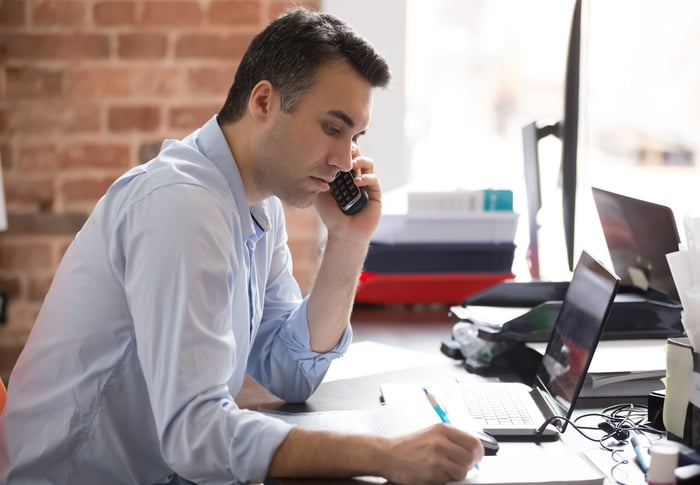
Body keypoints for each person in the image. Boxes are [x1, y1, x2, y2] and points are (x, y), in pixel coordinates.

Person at [0, 7, 484, 484]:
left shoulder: (257, 205)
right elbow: (197, 433)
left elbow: (290, 371)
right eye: (332, 128)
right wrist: (384, 455)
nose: (343, 160)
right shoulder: (182, 208)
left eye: (354, 136)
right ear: (264, 101)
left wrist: (348, 238)